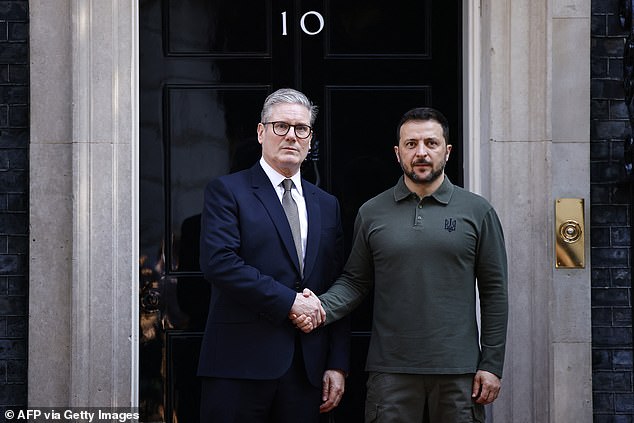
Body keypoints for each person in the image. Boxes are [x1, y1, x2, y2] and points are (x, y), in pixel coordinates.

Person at [294, 107, 508, 422]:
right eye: (411, 144)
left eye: (431, 144)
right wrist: (317, 308)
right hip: (390, 372)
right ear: (398, 153)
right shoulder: (372, 212)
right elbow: (355, 282)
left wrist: (491, 364)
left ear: (447, 151)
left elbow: (495, 292)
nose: (421, 152)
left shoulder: (478, 212)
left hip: (458, 372)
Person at [197, 88, 350, 423]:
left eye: (301, 128)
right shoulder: (227, 191)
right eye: (281, 126)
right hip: (239, 365)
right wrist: (290, 302)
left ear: (310, 138)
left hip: (307, 370)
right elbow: (220, 263)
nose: (291, 136)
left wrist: (337, 363)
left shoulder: (327, 204)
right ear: (261, 132)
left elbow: (337, 283)